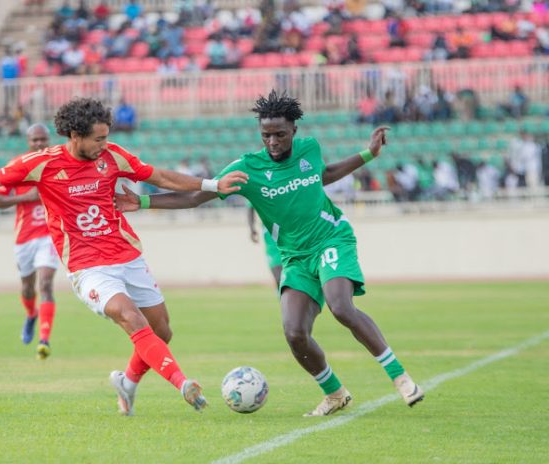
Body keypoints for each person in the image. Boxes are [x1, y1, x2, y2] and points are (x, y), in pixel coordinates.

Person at [0, 97, 248, 415]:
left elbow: (158, 175)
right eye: (98, 139)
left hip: (127, 256)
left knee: (162, 331)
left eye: (106, 137)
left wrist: (210, 185)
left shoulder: (112, 156)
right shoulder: (42, 163)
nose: (104, 144)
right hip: (88, 268)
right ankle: (183, 383)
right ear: (75, 136)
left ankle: (127, 382)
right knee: (130, 317)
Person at [115, 90, 424, 416]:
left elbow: (324, 174)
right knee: (294, 332)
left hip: (331, 239)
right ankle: (335, 393)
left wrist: (368, 155)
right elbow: (195, 198)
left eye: (280, 134)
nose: (273, 141)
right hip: (294, 256)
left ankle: (400, 378)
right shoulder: (247, 168)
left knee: (341, 306)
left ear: (294, 131)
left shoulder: (309, 149)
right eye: (266, 135)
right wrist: (144, 202)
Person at [0, 124, 60, 359]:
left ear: (49, 140)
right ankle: (31, 315)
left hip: (49, 236)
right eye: (35, 140)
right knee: (28, 287)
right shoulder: (17, 166)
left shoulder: (57, 164)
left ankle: (44, 339)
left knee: (46, 285)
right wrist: (26, 197)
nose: (40, 144)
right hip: (24, 238)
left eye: (43, 139)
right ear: (28, 141)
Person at [248, 206, 282, 287]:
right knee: (279, 279)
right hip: (272, 246)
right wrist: (252, 228)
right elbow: (250, 207)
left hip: (290, 241)